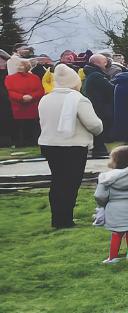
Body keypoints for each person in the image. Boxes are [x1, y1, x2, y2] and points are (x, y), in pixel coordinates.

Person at [37, 64, 104, 228]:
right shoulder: (79, 99)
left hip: (49, 144)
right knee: (71, 183)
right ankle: (65, 219)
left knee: (57, 181)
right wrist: (99, 129)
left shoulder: (46, 98)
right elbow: (94, 125)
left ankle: (57, 218)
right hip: (73, 145)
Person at [94, 144, 128, 262]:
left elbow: (99, 196)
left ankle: (112, 257)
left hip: (115, 209)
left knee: (117, 232)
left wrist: (102, 205)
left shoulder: (106, 178)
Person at [81, 53, 115, 159]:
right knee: (101, 128)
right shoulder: (96, 75)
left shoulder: (91, 74)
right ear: (98, 63)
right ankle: (99, 150)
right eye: (104, 62)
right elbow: (109, 89)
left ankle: (98, 149)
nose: (106, 64)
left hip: (95, 105)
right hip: (99, 106)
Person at [5, 56, 44, 146]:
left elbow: (40, 90)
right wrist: (21, 97)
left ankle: (33, 141)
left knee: (32, 125)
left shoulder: (35, 78)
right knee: (18, 126)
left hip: (32, 106)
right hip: (17, 106)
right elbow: (9, 91)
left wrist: (32, 96)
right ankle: (19, 142)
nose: (20, 67)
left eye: (22, 65)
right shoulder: (9, 78)